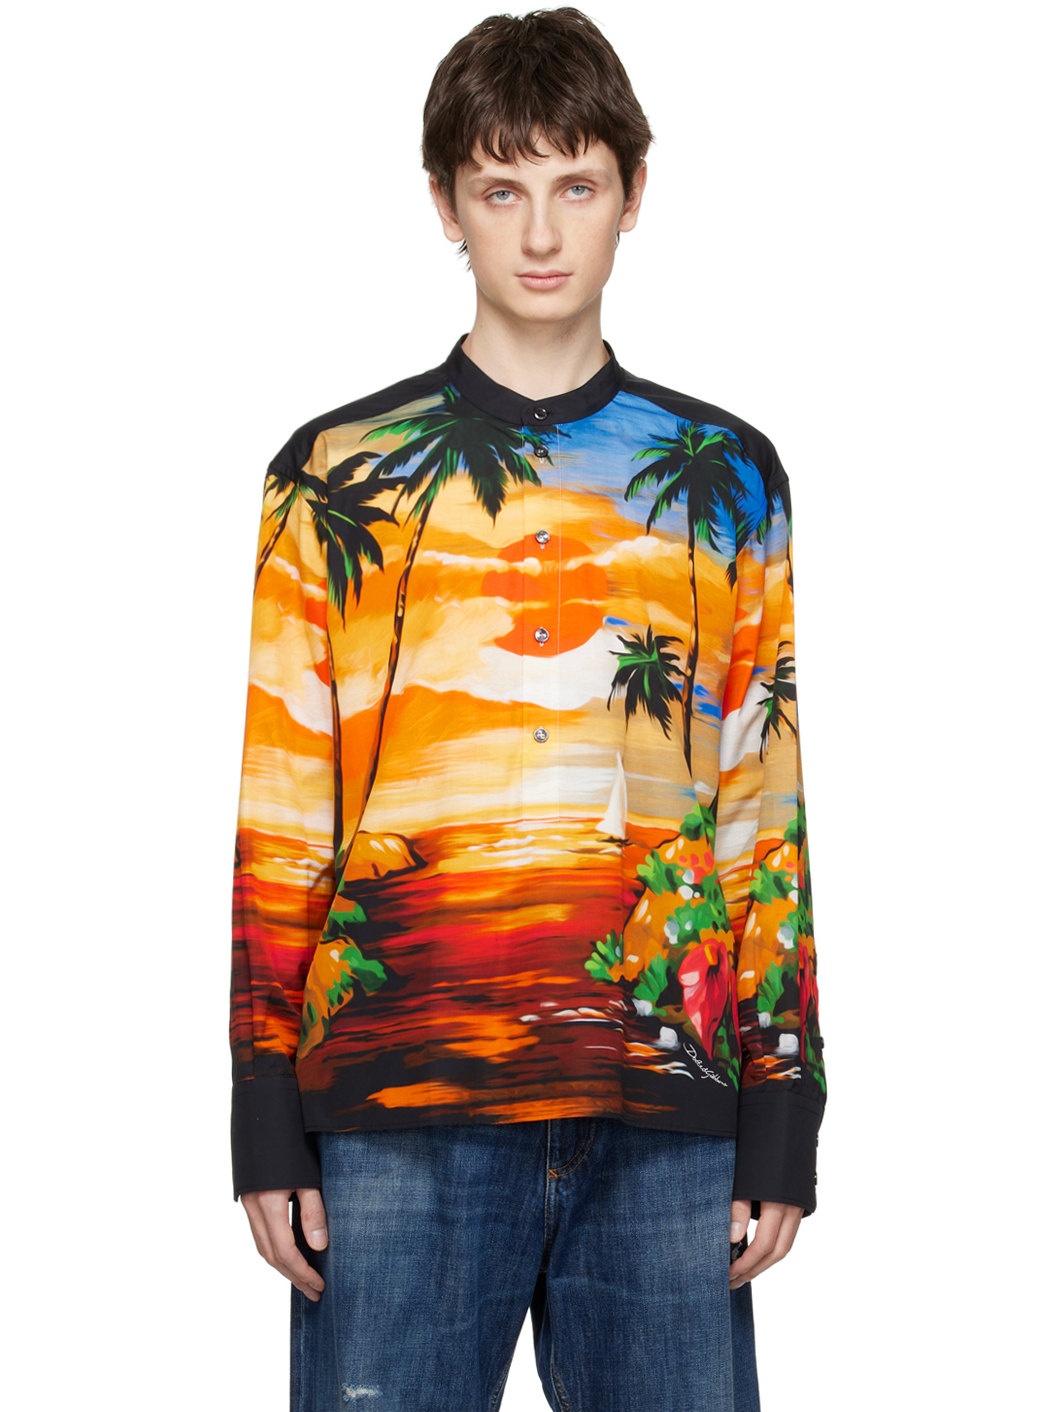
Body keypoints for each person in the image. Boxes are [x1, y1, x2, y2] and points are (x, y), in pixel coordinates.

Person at [231, 9, 825, 1409]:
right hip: (396, 1108)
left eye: (577, 185)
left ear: (633, 193)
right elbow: (283, 809)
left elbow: (762, 804)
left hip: (666, 1107)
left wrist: (784, 1103)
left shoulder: (727, 474)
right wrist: (263, 1114)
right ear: (446, 204)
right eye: (501, 190)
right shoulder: (334, 474)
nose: (543, 233)